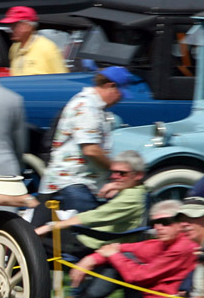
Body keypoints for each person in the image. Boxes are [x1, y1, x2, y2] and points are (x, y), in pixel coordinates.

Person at [66, 201, 196, 298]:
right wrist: (90, 260)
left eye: (165, 222)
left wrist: (113, 255)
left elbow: (137, 276)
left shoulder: (183, 247)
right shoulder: (160, 243)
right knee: (120, 258)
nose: (158, 227)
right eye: (155, 223)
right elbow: (119, 248)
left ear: (180, 223)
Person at [39, 66, 134, 212]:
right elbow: (91, 150)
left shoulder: (92, 105)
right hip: (72, 183)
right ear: (111, 86)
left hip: (76, 182)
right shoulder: (87, 107)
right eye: (120, 94)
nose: (119, 100)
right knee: (81, 232)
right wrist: (114, 168)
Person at [34, 150, 149, 259]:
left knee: (31, 240)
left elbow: (95, 217)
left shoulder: (132, 198)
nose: (115, 176)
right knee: (46, 208)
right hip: (89, 237)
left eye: (122, 173)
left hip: (88, 244)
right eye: (113, 172)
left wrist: (49, 227)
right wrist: (116, 187)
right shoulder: (137, 190)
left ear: (138, 175)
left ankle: (27, 236)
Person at [0, 6, 67, 76]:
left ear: (28, 26)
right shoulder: (14, 48)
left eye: (15, 25)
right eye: (10, 25)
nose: (11, 29)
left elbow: (62, 78)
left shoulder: (47, 47)